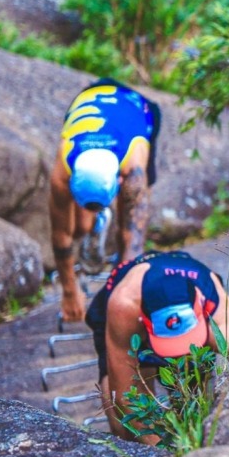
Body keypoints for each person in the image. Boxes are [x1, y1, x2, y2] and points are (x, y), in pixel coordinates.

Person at [85, 250, 229, 442]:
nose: (177, 357)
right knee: (123, 418)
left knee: (195, 402)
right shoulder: (123, 304)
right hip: (126, 306)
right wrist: (159, 451)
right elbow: (124, 397)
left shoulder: (214, 302)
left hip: (187, 280)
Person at [49, 78, 161, 322]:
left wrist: (120, 304)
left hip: (136, 111)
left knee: (126, 225)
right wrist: (70, 292)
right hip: (88, 98)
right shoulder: (63, 169)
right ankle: (97, 220)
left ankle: (106, 219)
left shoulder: (132, 169)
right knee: (78, 229)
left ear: (119, 181)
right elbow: (60, 235)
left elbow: (133, 242)